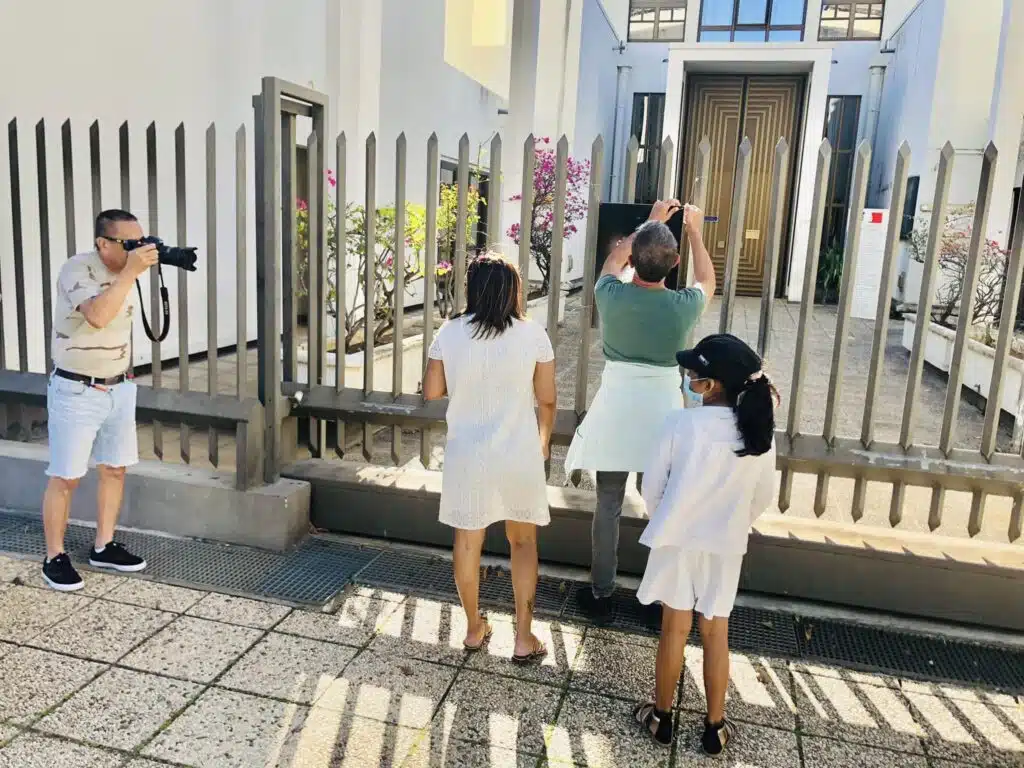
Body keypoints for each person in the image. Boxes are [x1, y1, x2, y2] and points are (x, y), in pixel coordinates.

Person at [566, 199, 716, 622]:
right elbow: (707, 278)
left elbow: (614, 258)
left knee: (608, 503)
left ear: (634, 257)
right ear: (675, 264)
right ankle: (656, 599)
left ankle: (601, 594)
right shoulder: (684, 305)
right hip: (663, 416)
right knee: (662, 505)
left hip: (617, 411)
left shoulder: (608, 294)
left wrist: (651, 220)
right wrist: (695, 232)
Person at [631, 334, 778, 755]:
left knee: (673, 626)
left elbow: (652, 488)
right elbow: (761, 497)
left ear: (710, 386)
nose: (687, 379)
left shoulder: (679, 425)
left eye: (692, 375)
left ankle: (661, 717)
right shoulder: (759, 435)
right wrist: (731, 524)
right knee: (716, 630)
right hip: (726, 542)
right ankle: (715, 725)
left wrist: (669, 517)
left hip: (677, 537)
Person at [423, 254, 556, 662]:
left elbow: (430, 391)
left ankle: (473, 629)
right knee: (523, 542)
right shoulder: (533, 335)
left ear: (471, 289)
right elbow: (547, 399)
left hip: (467, 455)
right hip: (519, 453)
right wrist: (544, 442)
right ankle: (523, 637)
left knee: (467, 542)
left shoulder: (449, 332)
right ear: (515, 290)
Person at [41, 210, 157, 591]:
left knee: (115, 468)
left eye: (141, 241)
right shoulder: (77, 270)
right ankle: (54, 556)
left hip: (119, 387)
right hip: (77, 389)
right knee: (66, 476)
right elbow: (97, 316)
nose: (137, 250)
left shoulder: (128, 268)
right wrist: (129, 274)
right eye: (129, 243)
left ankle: (103, 546)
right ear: (102, 243)